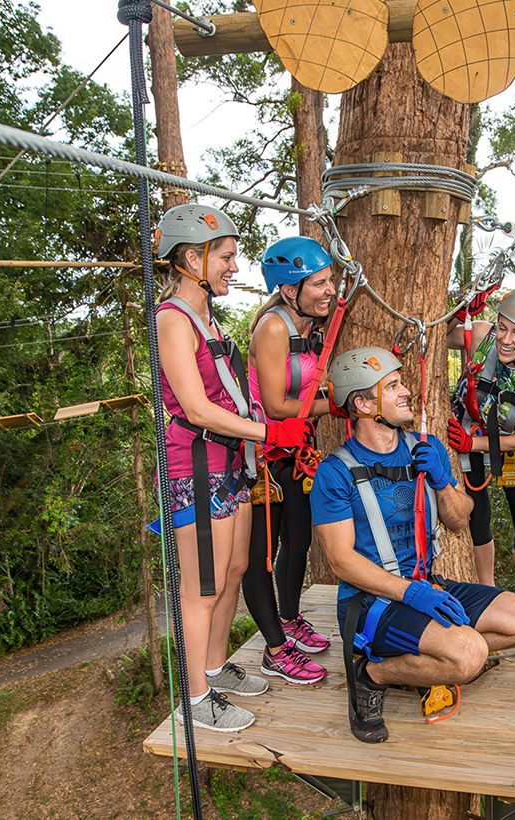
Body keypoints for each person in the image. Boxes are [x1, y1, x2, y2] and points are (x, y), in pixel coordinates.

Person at [310, 347, 515, 743]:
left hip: (428, 585)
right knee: (468, 655)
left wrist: (441, 480)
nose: (407, 392)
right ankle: (371, 675)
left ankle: (427, 661)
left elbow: (459, 520)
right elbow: (340, 561)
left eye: (402, 382)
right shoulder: (335, 473)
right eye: (393, 386)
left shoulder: (426, 447)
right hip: (373, 603)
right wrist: (410, 593)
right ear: (363, 403)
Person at [153, 203, 313, 732]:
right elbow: (196, 408)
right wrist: (270, 432)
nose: (234, 268)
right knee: (201, 587)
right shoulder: (172, 320)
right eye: (225, 257)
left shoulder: (206, 317)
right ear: (190, 258)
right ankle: (196, 700)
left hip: (229, 464)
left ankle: (215, 669)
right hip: (194, 469)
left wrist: (260, 433)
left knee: (236, 571)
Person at [243, 235, 339, 686]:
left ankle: (288, 618)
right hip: (264, 459)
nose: (330, 289)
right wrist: (338, 403)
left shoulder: (311, 329)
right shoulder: (274, 328)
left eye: (331, 280)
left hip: (296, 454)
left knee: (298, 541)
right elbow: (278, 405)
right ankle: (274, 650)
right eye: (318, 283)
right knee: (263, 555)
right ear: (288, 290)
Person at [445, 285, 515, 625]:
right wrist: (462, 312)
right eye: (503, 327)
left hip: (506, 444)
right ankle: (487, 590)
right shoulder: (482, 336)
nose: (506, 339)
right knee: (476, 516)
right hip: (466, 434)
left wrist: (473, 444)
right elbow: (441, 336)